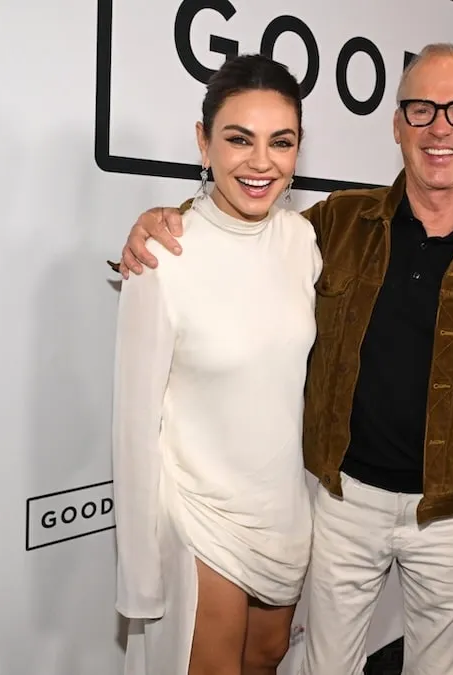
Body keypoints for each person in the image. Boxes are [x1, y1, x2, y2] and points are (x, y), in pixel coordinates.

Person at [111, 43, 453, 675]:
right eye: (421, 109)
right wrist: (159, 223)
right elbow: (237, 230)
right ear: (396, 124)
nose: (439, 127)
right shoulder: (337, 224)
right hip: (342, 503)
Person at [110, 53, 319, 675]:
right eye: (238, 139)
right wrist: (140, 578)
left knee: (268, 657)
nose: (261, 162)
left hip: (282, 508)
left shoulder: (303, 242)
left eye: (280, 142)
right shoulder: (162, 256)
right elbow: (133, 423)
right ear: (203, 142)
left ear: (298, 151)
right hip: (200, 512)